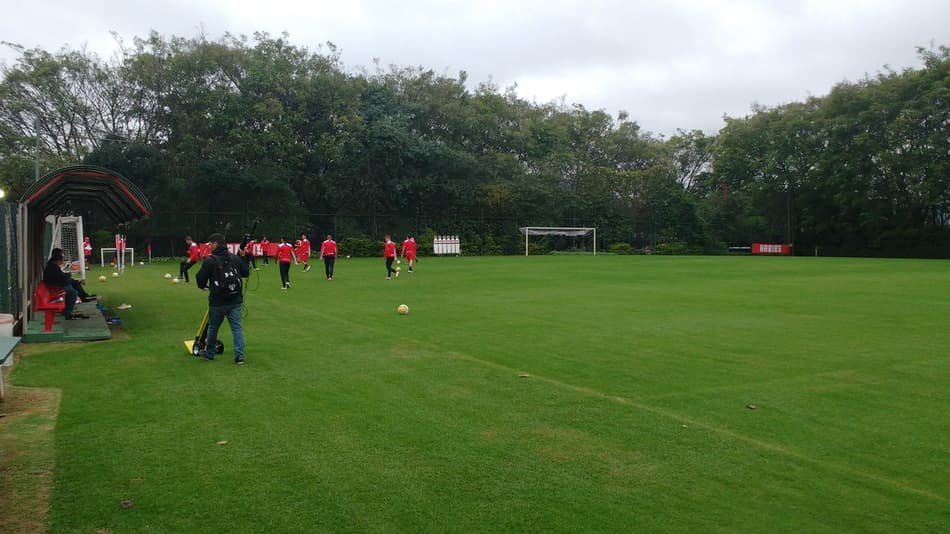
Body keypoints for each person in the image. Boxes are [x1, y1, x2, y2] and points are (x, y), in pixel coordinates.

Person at [195, 233, 250, 364]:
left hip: (217, 301)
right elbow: (245, 272)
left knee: (213, 328)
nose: (209, 246)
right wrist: (243, 258)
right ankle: (239, 356)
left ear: (216, 244)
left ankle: (209, 353)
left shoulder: (210, 260)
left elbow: (200, 279)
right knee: (236, 328)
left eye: (211, 243)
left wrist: (204, 286)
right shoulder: (234, 258)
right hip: (235, 300)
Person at [43, 248, 97, 320]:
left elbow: (60, 276)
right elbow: (59, 278)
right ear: (58, 260)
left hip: (56, 285)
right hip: (55, 287)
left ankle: (83, 297)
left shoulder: (53, 265)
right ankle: (68, 312)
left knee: (74, 283)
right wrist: (67, 278)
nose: (62, 262)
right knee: (73, 292)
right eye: (62, 260)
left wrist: (67, 278)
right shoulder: (53, 267)